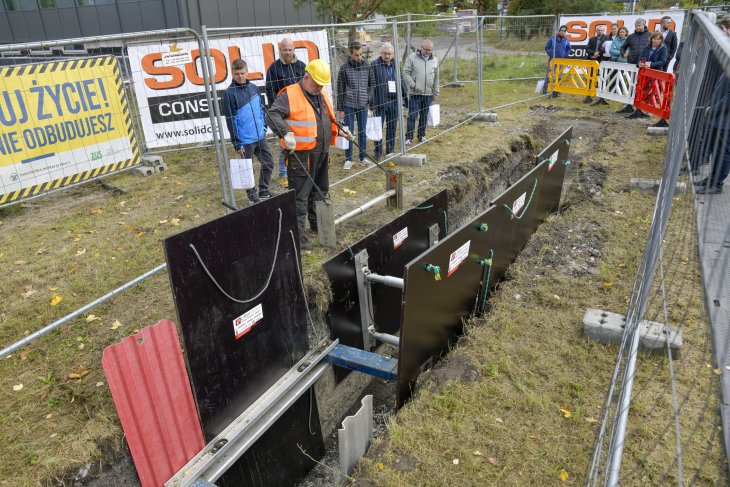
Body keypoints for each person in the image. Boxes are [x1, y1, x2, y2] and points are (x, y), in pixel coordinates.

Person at [267, 59, 353, 249]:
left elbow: (326, 118)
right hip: (301, 156)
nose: (319, 87)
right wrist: (286, 133)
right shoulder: (290, 94)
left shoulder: (319, 94)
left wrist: (340, 131)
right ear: (306, 77)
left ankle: (317, 225)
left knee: (320, 191)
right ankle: (298, 235)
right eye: (316, 83)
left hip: (321, 152)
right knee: (300, 195)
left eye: (322, 84)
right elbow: (272, 115)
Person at [222, 59, 274, 204]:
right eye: (237, 74)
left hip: (259, 136)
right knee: (247, 170)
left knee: (268, 162)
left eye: (242, 73)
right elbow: (230, 120)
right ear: (232, 74)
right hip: (244, 140)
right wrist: (236, 143)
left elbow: (261, 108)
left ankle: (263, 191)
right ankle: (253, 197)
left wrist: (263, 126)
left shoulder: (254, 88)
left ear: (247, 72)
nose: (240, 76)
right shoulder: (228, 94)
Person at [695, 19, 730, 195]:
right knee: (717, 150)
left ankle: (717, 184)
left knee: (724, 152)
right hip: (718, 115)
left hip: (725, 118)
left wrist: (713, 109)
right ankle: (712, 178)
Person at [265, 38, 306, 187]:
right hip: (284, 113)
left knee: (300, 141)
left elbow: (307, 86)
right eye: (285, 50)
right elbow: (270, 90)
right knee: (285, 141)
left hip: (301, 112)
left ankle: (299, 168)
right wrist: (277, 109)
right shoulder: (274, 68)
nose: (288, 53)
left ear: (294, 49)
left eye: (290, 50)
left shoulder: (302, 66)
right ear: (280, 50)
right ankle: (283, 173)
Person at [336, 41, 375, 170]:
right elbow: (340, 89)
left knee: (362, 131)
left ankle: (363, 156)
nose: (359, 57)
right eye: (356, 55)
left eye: (360, 54)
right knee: (349, 132)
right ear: (350, 54)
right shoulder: (344, 68)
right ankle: (348, 159)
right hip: (348, 104)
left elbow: (372, 85)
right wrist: (340, 108)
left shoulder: (367, 67)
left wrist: (368, 99)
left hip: (363, 105)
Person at [370, 42, 406, 160]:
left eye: (389, 54)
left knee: (392, 126)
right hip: (380, 102)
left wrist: (406, 99)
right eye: (385, 53)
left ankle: (390, 150)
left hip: (394, 101)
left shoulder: (396, 65)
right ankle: (378, 152)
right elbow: (370, 86)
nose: (387, 56)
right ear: (381, 54)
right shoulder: (374, 65)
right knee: (378, 127)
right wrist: (372, 103)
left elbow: (401, 81)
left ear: (393, 54)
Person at [403, 39, 439, 144]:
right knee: (412, 115)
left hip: (428, 93)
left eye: (430, 50)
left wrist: (435, 91)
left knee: (424, 115)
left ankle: (421, 135)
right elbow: (405, 73)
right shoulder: (412, 58)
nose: (428, 51)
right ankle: (408, 137)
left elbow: (436, 77)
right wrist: (413, 85)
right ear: (421, 48)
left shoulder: (434, 60)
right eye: (426, 49)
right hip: (415, 93)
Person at [620, 18, 653, 116]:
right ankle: (629, 104)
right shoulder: (630, 37)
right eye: (636, 26)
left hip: (645, 65)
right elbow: (623, 47)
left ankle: (643, 105)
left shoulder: (650, 36)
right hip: (632, 63)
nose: (638, 27)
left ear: (644, 25)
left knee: (645, 85)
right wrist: (623, 54)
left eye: (639, 25)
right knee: (632, 84)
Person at [543, 25, 571, 97]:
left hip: (561, 61)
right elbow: (547, 48)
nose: (562, 32)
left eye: (564, 31)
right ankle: (545, 90)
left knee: (560, 76)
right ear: (559, 31)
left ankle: (557, 91)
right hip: (553, 60)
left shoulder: (566, 40)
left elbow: (569, 49)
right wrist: (551, 54)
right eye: (561, 31)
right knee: (549, 75)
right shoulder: (552, 38)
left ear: (565, 33)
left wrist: (565, 55)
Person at [584, 25, 607, 104]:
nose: (599, 31)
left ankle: (601, 97)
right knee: (589, 77)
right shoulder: (592, 39)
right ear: (596, 31)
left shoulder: (606, 39)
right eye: (598, 30)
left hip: (602, 61)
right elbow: (587, 48)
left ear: (603, 31)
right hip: (592, 59)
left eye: (601, 30)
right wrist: (593, 53)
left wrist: (598, 54)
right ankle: (588, 95)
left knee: (601, 78)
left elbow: (606, 49)